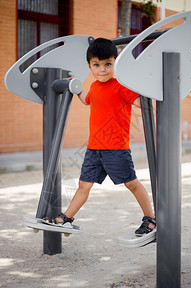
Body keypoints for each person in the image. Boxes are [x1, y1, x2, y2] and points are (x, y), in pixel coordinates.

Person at [43, 38, 156, 236]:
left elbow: (143, 104)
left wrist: (143, 86)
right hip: (94, 149)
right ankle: (66, 218)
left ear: (115, 63)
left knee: (131, 183)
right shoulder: (94, 87)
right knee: (83, 185)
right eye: (96, 65)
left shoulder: (121, 86)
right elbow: (86, 99)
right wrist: (75, 88)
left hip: (117, 148)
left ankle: (151, 218)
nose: (102, 69)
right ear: (90, 66)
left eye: (107, 64)